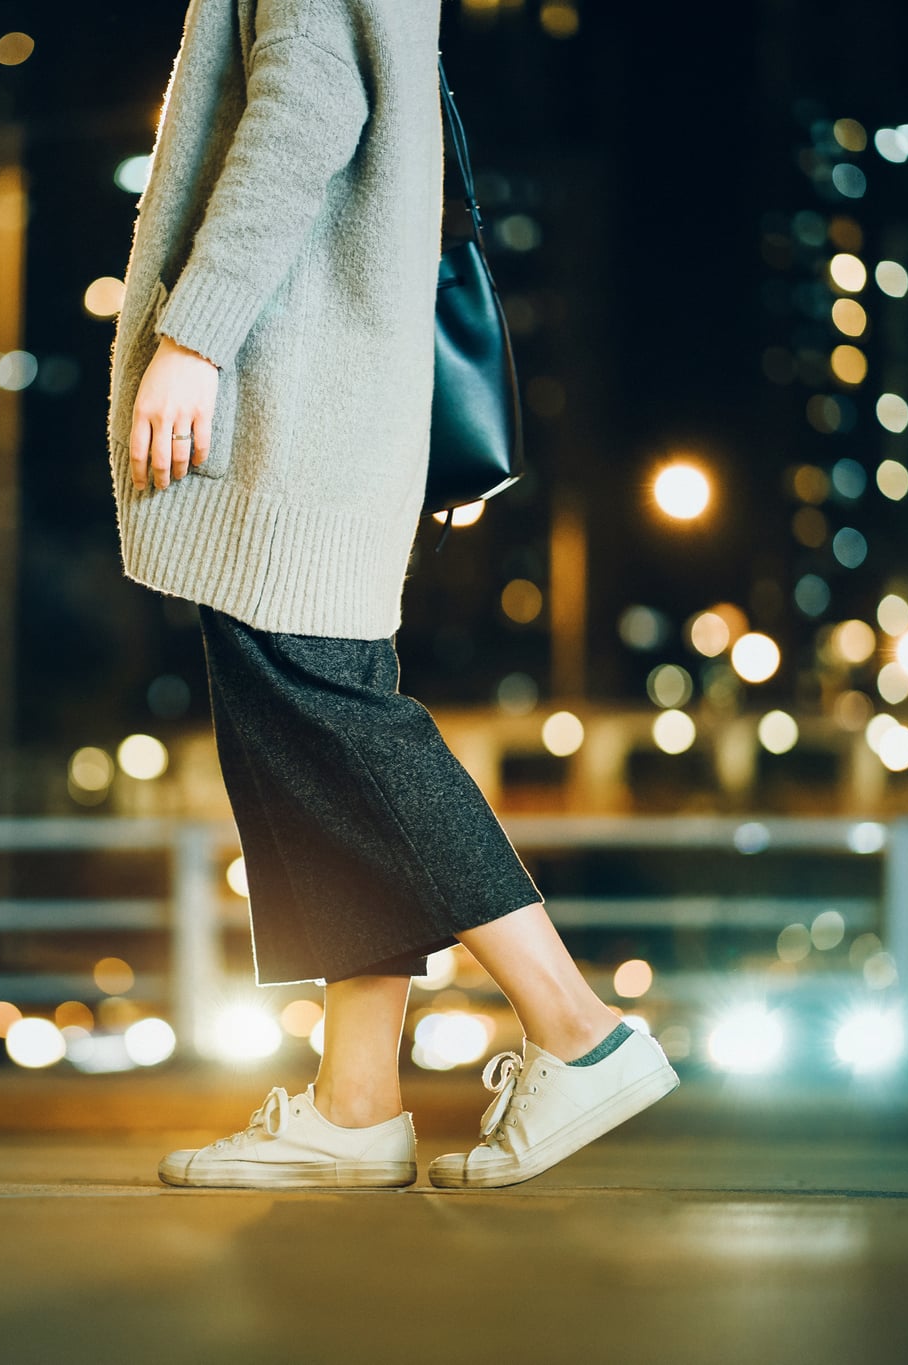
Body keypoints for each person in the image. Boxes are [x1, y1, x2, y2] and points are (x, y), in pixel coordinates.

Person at [106, 0, 677, 1190]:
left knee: (325, 714)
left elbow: (307, 105)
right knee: (315, 730)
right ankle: (355, 1105)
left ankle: (576, 1028)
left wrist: (194, 336)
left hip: (289, 388)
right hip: (332, 385)